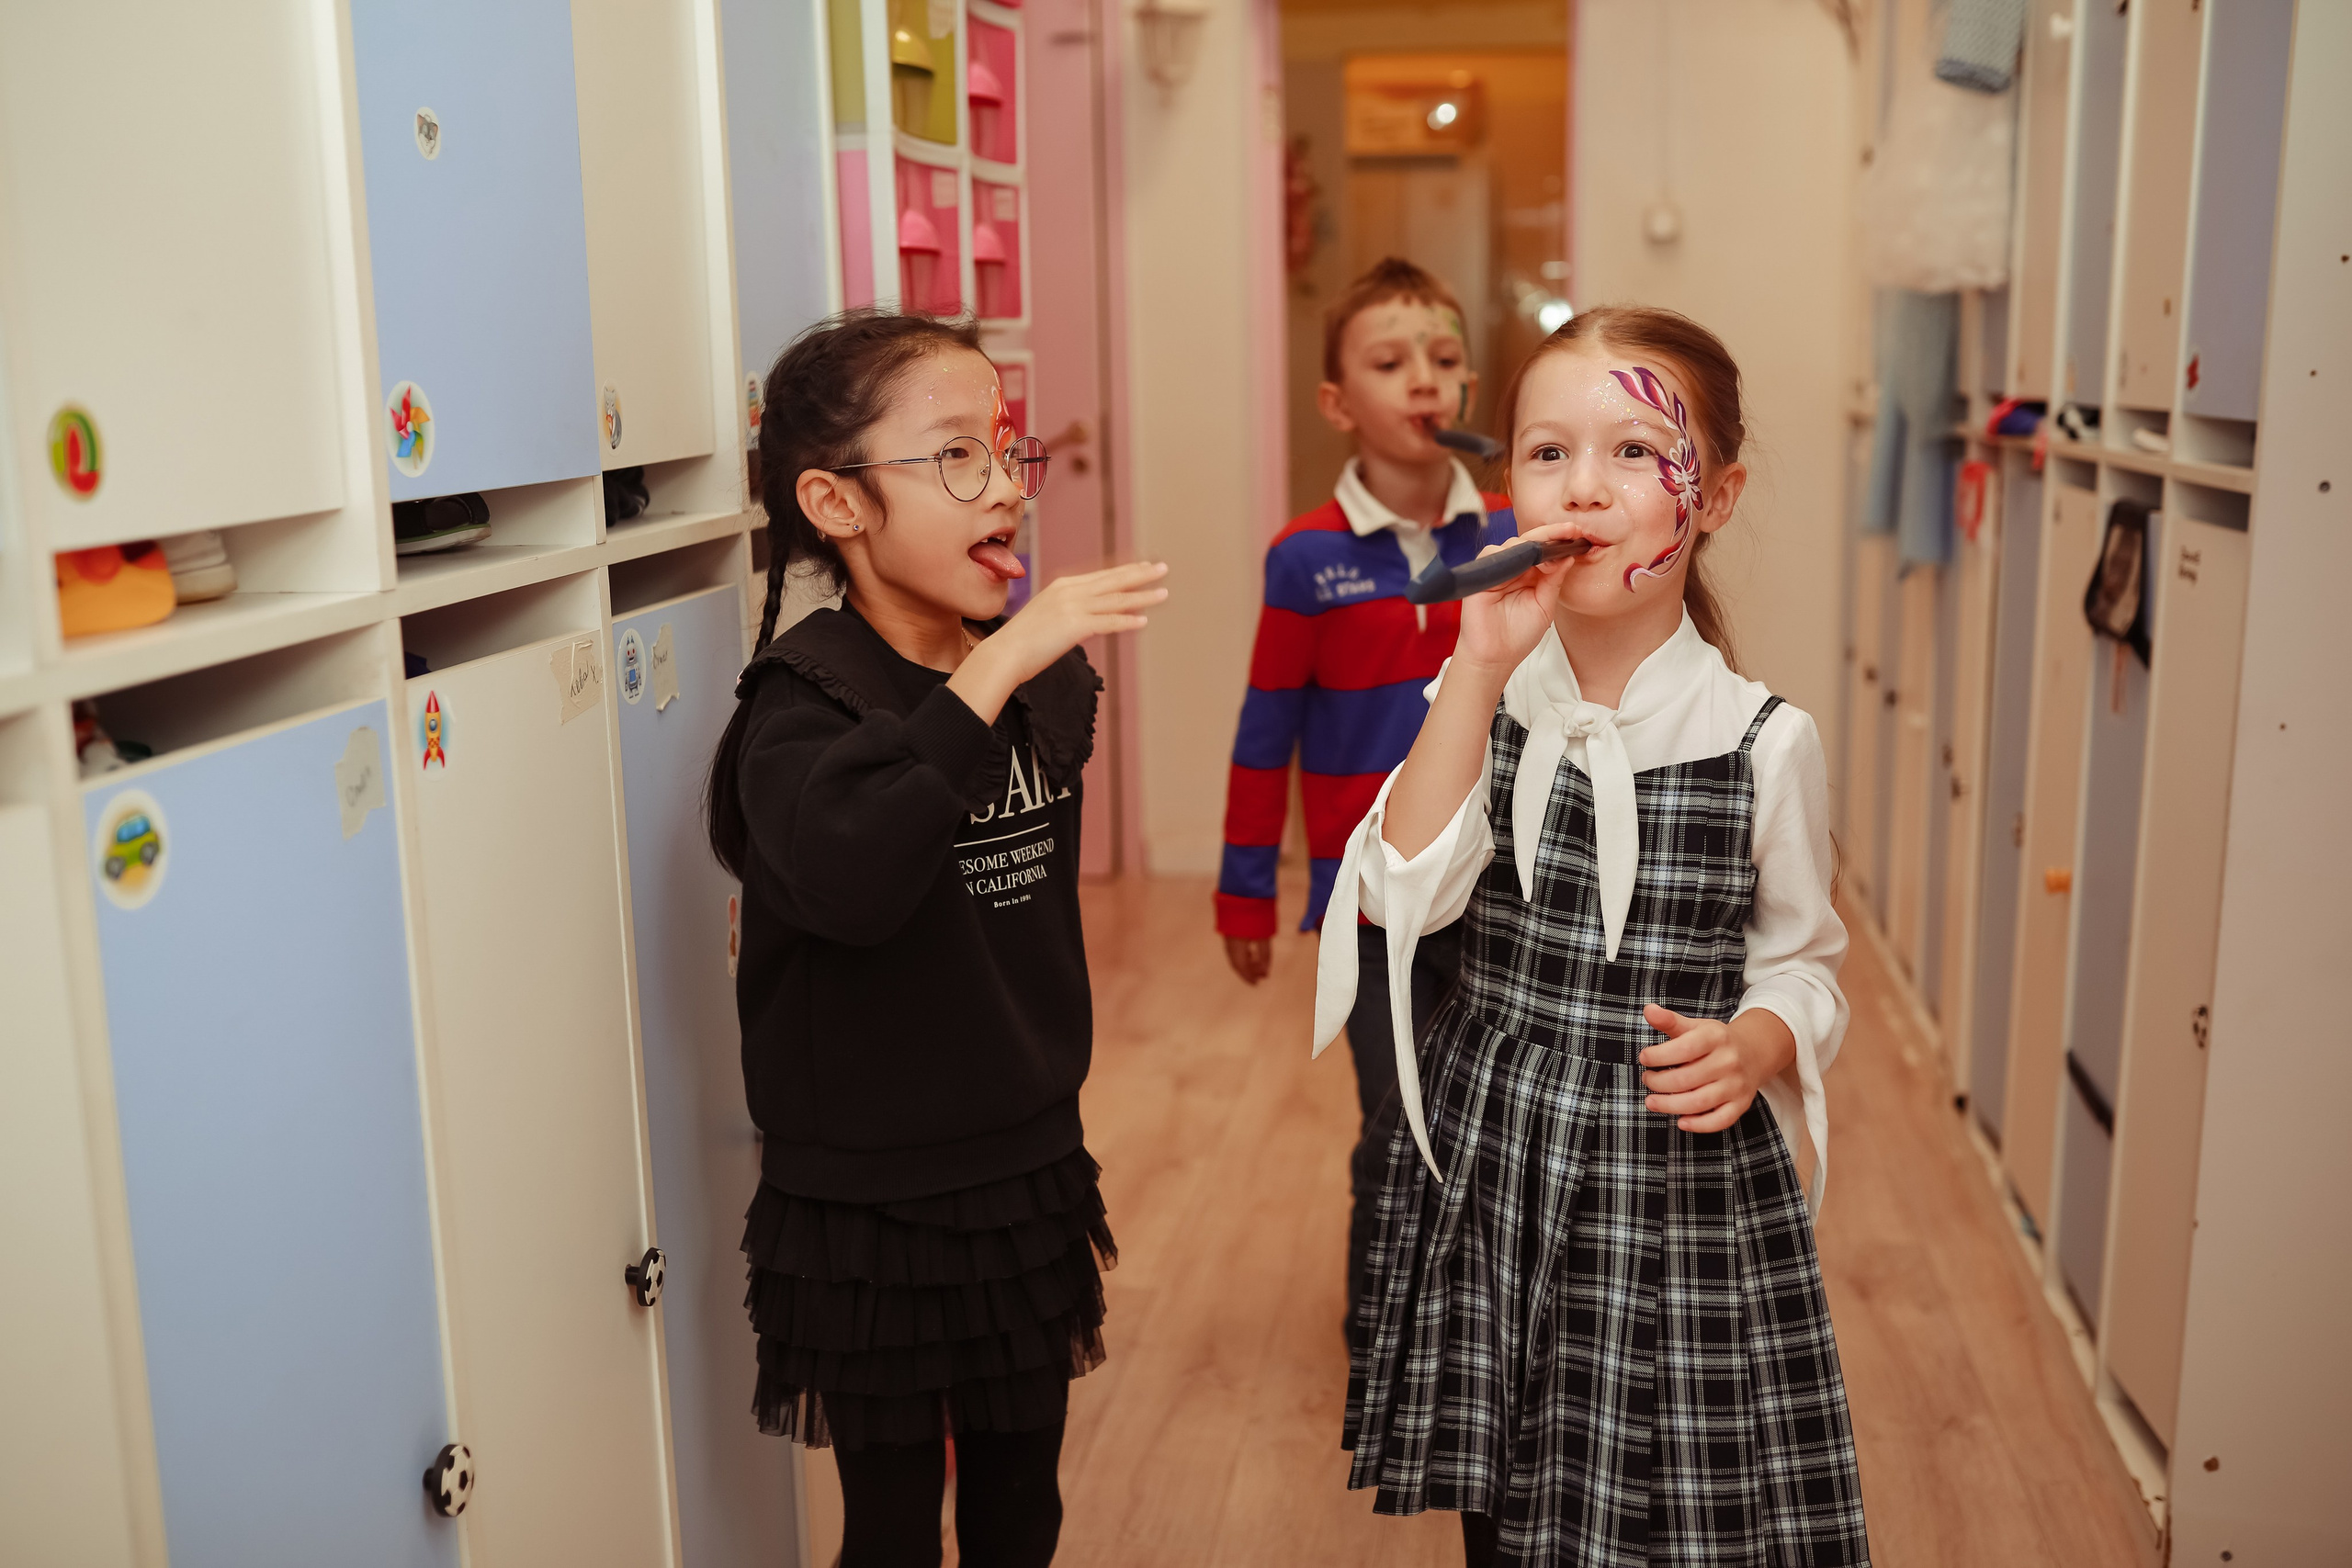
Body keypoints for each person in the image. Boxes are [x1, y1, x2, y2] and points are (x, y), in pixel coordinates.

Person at [1317, 306, 1871, 1563]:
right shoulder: (1482, 697)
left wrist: (1763, 1038)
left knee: (1666, 1499)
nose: (1590, 485)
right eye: (1552, 453)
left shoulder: (1763, 739)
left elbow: (1806, 958)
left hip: (1674, 1183)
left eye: (1636, 450)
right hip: (1494, 1144)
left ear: (1713, 494)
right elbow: (1400, 893)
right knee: (1506, 1507)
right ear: (1512, 489)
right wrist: (1473, 670)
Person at [706, 309, 1169, 1568]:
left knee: (1024, 1508)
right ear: (836, 501)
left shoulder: (1040, 679)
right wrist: (997, 664)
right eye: (957, 455)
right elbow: (850, 878)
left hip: (1023, 1164)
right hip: (867, 1201)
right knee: (896, 1529)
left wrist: (1012, 663)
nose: (1007, 484)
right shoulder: (800, 702)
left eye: (1009, 448)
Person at [1216, 257, 1515, 1339]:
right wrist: (1245, 890)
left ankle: (1480, 1322)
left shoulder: (1513, 537)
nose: (1423, 381)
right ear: (1338, 403)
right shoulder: (1304, 560)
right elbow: (1266, 733)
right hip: (1369, 901)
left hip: (1501, 885)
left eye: (1442, 359)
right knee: (1397, 1119)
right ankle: (1386, 1334)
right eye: (1391, 363)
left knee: (1491, 1115)